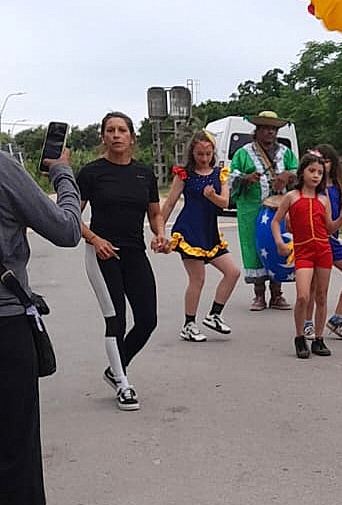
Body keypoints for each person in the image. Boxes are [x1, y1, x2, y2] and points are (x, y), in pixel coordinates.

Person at [0, 150, 81, 504]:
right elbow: (66, 229)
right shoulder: (3, 168)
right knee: (15, 451)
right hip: (4, 323)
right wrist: (63, 174)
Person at [78, 111, 167, 411]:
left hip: (134, 252)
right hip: (103, 254)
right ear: (103, 136)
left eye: (122, 130)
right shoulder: (91, 173)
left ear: (131, 137)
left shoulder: (144, 174)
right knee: (116, 318)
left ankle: (115, 368)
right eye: (110, 130)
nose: (116, 135)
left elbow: (155, 213)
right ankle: (123, 384)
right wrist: (94, 239)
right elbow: (70, 217)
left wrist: (160, 234)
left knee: (148, 320)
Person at [159, 131, 241, 342]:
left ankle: (214, 314)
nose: (204, 158)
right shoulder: (184, 174)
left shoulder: (220, 173)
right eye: (199, 154)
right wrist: (160, 231)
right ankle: (188, 324)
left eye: (207, 153)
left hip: (210, 232)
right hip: (188, 231)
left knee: (232, 272)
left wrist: (212, 195)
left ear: (213, 152)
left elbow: (224, 202)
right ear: (192, 153)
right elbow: (169, 203)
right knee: (198, 279)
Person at [271, 151, 342, 359]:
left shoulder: (323, 200)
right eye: (311, 171)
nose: (315, 176)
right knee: (304, 295)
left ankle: (318, 338)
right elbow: (275, 221)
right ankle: (299, 337)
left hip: (323, 250)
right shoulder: (292, 197)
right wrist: (279, 241)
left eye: (320, 173)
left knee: (321, 296)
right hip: (303, 251)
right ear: (302, 172)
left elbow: (330, 228)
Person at [229, 111, 299, 311]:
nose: (270, 132)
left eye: (273, 129)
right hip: (252, 210)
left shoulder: (286, 153)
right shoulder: (243, 153)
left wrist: (287, 176)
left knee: (279, 245)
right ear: (257, 130)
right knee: (254, 247)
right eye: (266, 128)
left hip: (280, 210)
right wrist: (245, 178)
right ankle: (259, 294)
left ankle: (277, 294)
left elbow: (298, 173)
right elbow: (230, 176)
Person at [302, 143, 342, 340]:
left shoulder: (338, 186)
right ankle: (308, 324)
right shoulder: (313, 189)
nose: (322, 166)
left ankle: (337, 318)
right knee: (314, 288)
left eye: (326, 161)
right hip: (316, 241)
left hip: (333, 241)